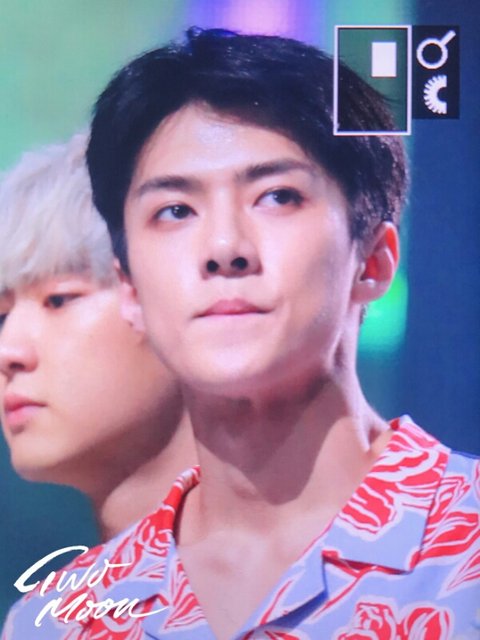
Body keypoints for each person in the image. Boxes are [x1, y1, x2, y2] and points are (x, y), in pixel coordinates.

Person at [3, 29, 479, 640]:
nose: (224, 247)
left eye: (277, 197)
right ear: (130, 289)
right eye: (175, 210)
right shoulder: (59, 621)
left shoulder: (463, 541)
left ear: (374, 260)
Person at [0, 133, 195, 542]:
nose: (8, 352)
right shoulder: (56, 591)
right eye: (2, 317)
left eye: (58, 299)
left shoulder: (329, 568)